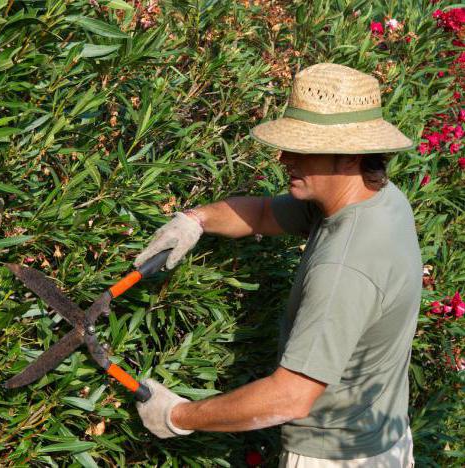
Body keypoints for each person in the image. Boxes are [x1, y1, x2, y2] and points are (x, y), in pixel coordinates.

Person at [133, 63, 420, 467]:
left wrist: (177, 415)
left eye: (302, 149)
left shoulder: (344, 268)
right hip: (384, 436)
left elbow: (290, 396)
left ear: (350, 156)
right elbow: (266, 214)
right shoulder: (378, 199)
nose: (284, 157)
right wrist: (195, 220)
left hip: (335, 458)